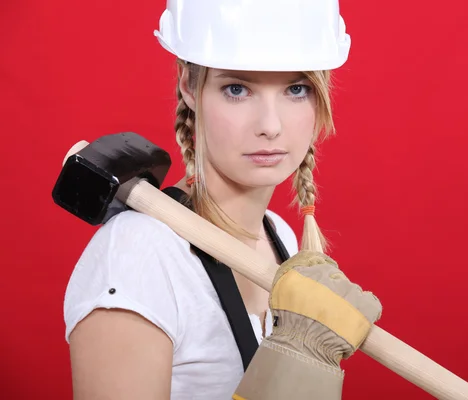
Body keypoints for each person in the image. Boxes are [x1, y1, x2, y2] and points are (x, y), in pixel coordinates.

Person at [63, 1, 382, 399]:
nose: (270, 126)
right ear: (188, 86)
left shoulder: (279, 236)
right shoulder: (139, 254)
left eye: (296, 89)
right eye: (237, 89)